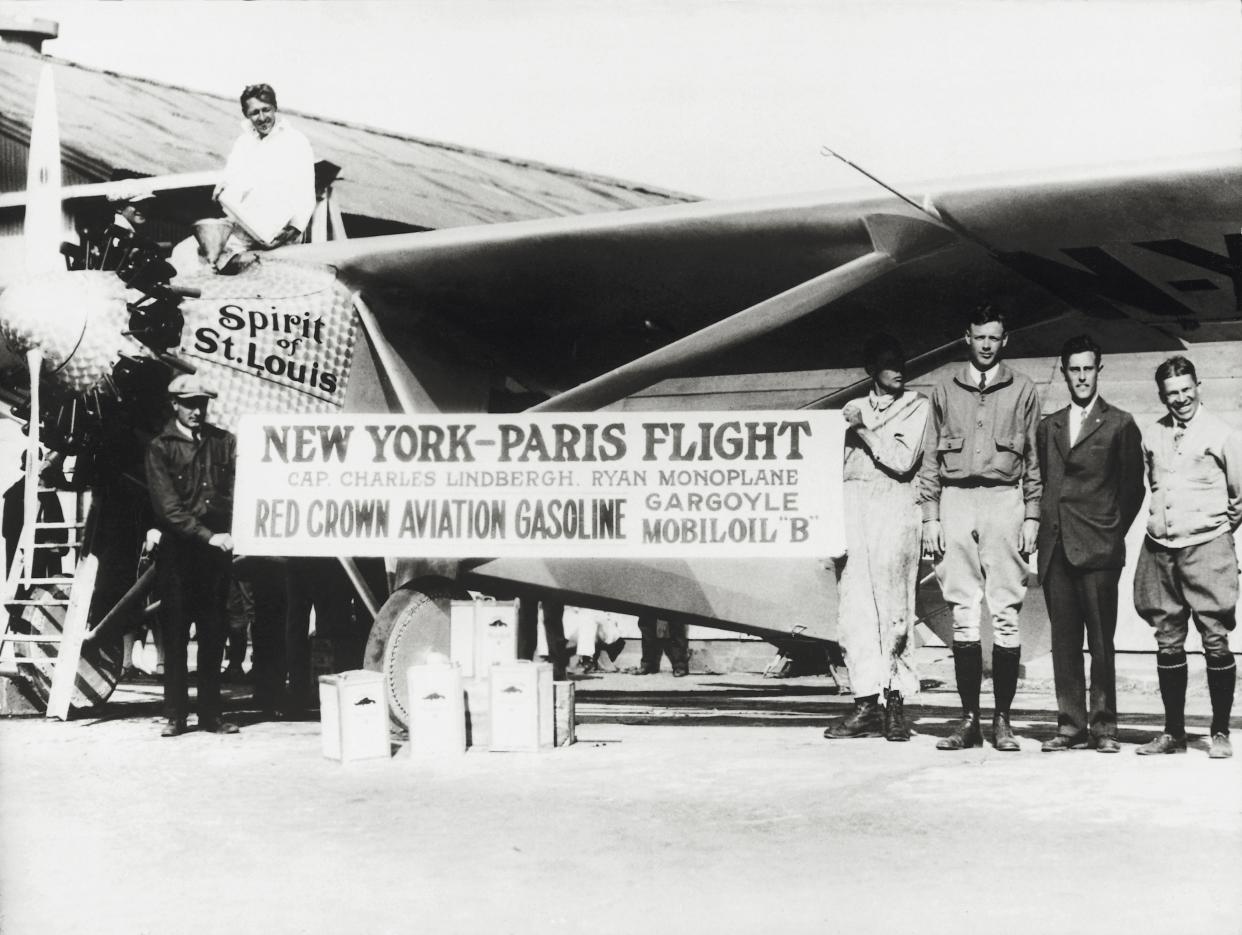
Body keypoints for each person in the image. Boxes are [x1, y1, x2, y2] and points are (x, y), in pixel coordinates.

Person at [919, 303, 1041, 752]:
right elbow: (930, 457)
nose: (987, 345)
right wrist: (930, 515)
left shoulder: (1023, 389)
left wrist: (1032, 514)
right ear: (965, 338)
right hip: (954, 502)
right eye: (979, 336)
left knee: (1006, 614)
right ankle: (968, 720)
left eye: (994, 337)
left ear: (1004, 340)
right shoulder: (944, 388)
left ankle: (1002, 720)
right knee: (963, 613)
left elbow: (1033, 460)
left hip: (1004, 502)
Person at [1036, 336, 1144, 753]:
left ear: (1099, 370)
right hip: (1057, 548)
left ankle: (1103, 728)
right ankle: (1070, 726)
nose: (1081, 377)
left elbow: (1132, 489)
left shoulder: (1120, 423)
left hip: (1098, 549)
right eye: (1074, 369)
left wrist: (1109, 531)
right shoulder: (1050, 426)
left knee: (1101, 643)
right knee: (1064, 643)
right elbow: (1046, 482)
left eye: (1088, 368)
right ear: (1063, 371)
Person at [1133, 356, 1240, 759]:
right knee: (1167, 641)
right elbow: (1155, 484)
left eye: (1185, 390)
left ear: (1199, 385)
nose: (1180, 399)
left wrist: (1208, 530)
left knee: (1214, 638)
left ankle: (1219, 732)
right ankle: (1173, 733)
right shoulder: (1152, 435)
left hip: (1207, 546)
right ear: (1162, 396)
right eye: (1171, 393)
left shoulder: (1222, 434)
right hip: (1160, 549)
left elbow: (1238, 498)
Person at [824, 334, 929, 742]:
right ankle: (865, 703)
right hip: (854, 513)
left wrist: (862, 428)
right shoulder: (850, 410)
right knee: (855, 612)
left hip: (895, 512)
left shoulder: (916, 407)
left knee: (895, 611)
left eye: (901, 360)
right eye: (887, 362)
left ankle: (896, 704)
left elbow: (902, 460)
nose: (897, 368)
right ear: (871, 369)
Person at [144, 375, 239, 737]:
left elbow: (235, 491)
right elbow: (168, 509)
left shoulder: (223, 443)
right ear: (175, 405)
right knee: (177, 637)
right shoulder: (160, 448)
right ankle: (176, 715)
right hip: (179, 556)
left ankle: (212, 715)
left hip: (215, 555)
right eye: (188, 404)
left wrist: (231, 530)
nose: (195, 411)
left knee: (214, 635)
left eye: (200, 404)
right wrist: (209, 535)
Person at [211, 83, 315, 273]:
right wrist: (222, 187)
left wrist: (294, 228)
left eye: (266, 110)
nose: (262, 118)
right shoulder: (243, 143)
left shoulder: (295, 141)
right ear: (246, 115)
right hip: (246, 229)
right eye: (254, 112)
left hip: (281, 232)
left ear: (275, 108)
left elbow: (306, 191)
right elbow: (230, 176)